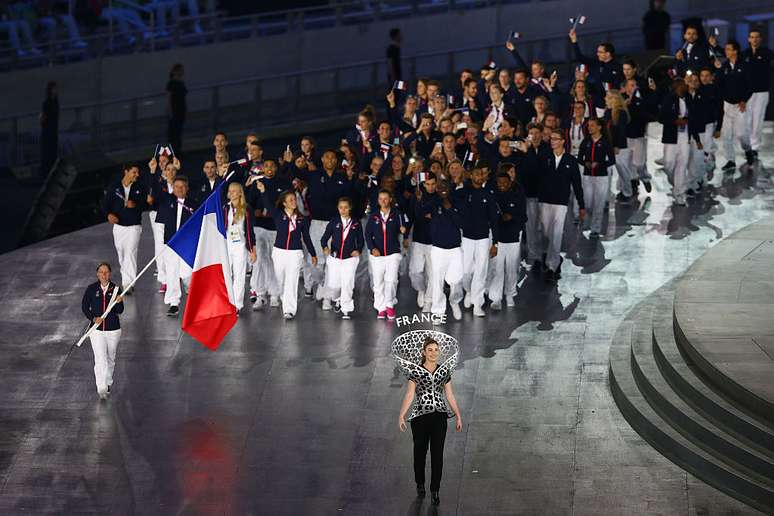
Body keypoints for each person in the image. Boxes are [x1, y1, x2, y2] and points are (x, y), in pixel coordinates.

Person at [396, 335, 462, 507]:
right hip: (420, 418)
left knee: (437, 454)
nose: (433, 353)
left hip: (439, 417)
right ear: (424, 352)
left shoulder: (443, 371)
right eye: (430, 350)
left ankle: (435, 490)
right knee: (419, 452)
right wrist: (401, 415)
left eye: (436, 350)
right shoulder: (416, 371)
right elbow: (410, 394)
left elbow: (449, 395)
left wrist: (458, 415)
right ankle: (420, 483)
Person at [256, 185, 317, 320]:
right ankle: (283, 298)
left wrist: (313, 254)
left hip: (295, 253)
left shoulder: (302, 219)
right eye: (290, 200)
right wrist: (263, 191)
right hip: (279, 252)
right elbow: (268, 204)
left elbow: (306, 237)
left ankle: (289, 309)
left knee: (292, 280)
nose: (293, 202)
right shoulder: (278, 214)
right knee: (280, 279)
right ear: (284, 203)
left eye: (294, 199)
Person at [538, 130, 585, 282]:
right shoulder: (545, 157)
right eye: (551, 139)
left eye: (555, 139)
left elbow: (577, 184)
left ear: (563, 141)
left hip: (561, 203)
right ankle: (552, 257)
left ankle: (552, 266)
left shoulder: (571, 161)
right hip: (544, 200)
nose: (552, 141)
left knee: (556, 234)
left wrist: (581, 205)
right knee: (546, 232)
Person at [455, 167, 500, 317]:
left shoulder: (489, 194)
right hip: (466, 237)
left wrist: (495, 243)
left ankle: (477, 304)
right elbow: (451, 199)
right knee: (466, 270)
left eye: (481, 174)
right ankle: (468, 290)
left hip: (483, 238)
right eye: (476, 173)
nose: (479, 176)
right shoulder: (463, 192)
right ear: (471, 175)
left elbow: (494, 219)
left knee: (481, 271)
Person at [81, 262, 124, 400]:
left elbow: (120, 311)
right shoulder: (91, 289)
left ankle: (108, 382)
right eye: (101, 272)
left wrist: (119, 302)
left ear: (109, 273)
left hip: (113, 330)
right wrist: (93, 318)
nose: (104, 275)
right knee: (100, 358)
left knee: (111, 358)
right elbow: (84, 307)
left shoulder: (116, 289)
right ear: (97, 274)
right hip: (97, 330)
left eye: (106, 272)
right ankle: (101, 386)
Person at [156, 175, 196, 315]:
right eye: (177, 186)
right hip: (171, 243)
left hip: (187, 244)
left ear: (187, 188)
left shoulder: (194, 204)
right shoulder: (167, 202)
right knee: (172, 272)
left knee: (187, 272)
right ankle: (174, 302)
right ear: (173, 188)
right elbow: (160, 224)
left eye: (183, 186)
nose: (180, 189)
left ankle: (192, 296)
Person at [104, 163, 146, 294]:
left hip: (134, 226)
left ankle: (128, 284)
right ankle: (126, 279)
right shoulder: (114, 187)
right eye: (134, 172)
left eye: (137, 172)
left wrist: (135, 204)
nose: (137, 175)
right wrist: (108, 215)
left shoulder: (139, 187)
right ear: (126, 172)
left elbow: (145, 204)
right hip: (119, 227)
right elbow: (105, 204)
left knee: (130, 252)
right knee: (121, 253)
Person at [365, 189, 407, 320]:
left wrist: (404, 230)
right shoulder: (373, 216)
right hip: (377, 255)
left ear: (390, 200)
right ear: (378, 201)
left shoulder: (398, 215)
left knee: (392, 280)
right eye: (380, 199)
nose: (383, 201)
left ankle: (389, 304)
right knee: (378, 283)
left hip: (392, 253)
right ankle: (380, 308)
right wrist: (372, 249)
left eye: (385, 198)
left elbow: (404, 227)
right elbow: (367, 234)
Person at [320, 197, 364, 320]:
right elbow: (324, 238)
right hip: (335, 258)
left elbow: (360, 240)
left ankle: (346, 309)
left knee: (347, 283)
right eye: (340, 207)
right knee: (334, 285)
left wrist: (358, 250)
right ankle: (337, 299)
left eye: (345, 207)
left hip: (350, 258)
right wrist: (325, 247)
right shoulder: (334, 221)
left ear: (349, 208)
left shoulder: (356, 223)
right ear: (338, 208)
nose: (343, 210)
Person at [488, 171, 527, 309]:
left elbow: (524, 217)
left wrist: (512, 217)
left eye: (505, 183)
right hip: (497, 239)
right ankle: (496, 298)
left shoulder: (517, 196)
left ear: (510, 183)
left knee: (511, 269)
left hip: (512, 238)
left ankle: (510, 294)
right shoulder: (493, 197)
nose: (502, 185)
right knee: (497, 269)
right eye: (500, 183)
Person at [659, 78, 698, 206]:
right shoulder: (668, 99)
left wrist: (695, 136)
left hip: (685, 136)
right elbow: (661, 117)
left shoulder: (689, 98)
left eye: (685, 85)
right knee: (669, 163)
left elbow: (693, 115)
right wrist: (675, 121)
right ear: (676, 87)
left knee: (683, 163)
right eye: (682, 85)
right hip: (671, 136)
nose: (685, 87)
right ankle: (674, 181)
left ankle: (679, 193)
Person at [714, 40, 753, 170]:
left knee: (741, 134)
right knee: (727, 135)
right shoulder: (724, 66)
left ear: (735, 51)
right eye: (726, 49)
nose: (726, 51)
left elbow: (750, 85)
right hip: (727, 105)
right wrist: (718, 69)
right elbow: (718, 84)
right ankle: (730, 160)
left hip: (740, 105)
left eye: (729, 49)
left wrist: (744, 100)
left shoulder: (745, 65)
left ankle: (748, 150)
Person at [578, 118, 615, 237]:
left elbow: (612, 160)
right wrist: (586, 163)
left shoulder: (605, 142)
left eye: (592, 126)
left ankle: (596, 228)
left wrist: (600, 164)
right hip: (588, 176)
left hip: (601, 177)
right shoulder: (586, 142)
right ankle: (587, 220)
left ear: (599, 127)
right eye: (588, 126)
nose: (589, 128)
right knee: (588, 203)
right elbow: (580, 158)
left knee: (599, 203)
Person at [224, 182, 256, 314]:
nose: (231, 193)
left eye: (234, 191)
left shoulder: (246, 209)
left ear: (240, 193)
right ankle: (226, 302)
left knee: (239, 275)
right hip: (226, 245)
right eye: (230, 191)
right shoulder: (225, 208)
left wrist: (252, 250)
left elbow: (250, 231)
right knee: (226, 275)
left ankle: (236, 305)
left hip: (240, 246)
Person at [742, 29, 772, 163]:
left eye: (757, 37)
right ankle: (748, 147)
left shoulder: (767, 53)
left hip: (761, 92)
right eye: (752, 37)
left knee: (758, 120)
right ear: (748, 39)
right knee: (746, 120)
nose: (754, 39)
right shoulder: (744, 54)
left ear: (760, 39)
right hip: (747, 92)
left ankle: (755, 147)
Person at [604, 90, 633, 202]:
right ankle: (611, 195)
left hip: (620, 146)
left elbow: (621, 131)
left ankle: (627, 192)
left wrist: (617, 146)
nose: (605, 99)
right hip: (609, 145)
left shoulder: (621, 113)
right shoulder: (608, 112)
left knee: (622, 169)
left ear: (614, 99)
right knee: (610, 171)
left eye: (607, 97)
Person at [166, 63, 187, 155]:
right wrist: (170, 111)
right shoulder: (171, 84)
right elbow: (169, 98)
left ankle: (177, 150)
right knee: (174, 132)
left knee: (178, 132)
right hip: (175, 110)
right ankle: (173, 152)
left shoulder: (180, 83)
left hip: (181, 109)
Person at [39, 81, 59, 178]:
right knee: (47, 153)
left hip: (54, 131)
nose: (56, 90)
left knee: (53, 153)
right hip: (48, 132)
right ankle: (45, 174)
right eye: (54, 89)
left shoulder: (56, 101)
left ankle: (52, 172)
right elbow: (42, 118)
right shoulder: (46, 103)